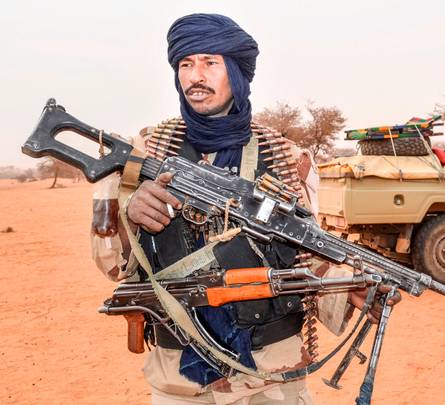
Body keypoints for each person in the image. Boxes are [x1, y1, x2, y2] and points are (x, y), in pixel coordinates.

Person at [89, 13, 399, 404]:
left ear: (235, 72)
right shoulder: (145, 150)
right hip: (181, 379)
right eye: (185, 64)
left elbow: (306, 257)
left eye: (209, 62)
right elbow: (113, 267)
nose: (194, 76)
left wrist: (348, 287)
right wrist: (130, 215)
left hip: (271, 373)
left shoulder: (287, 157)